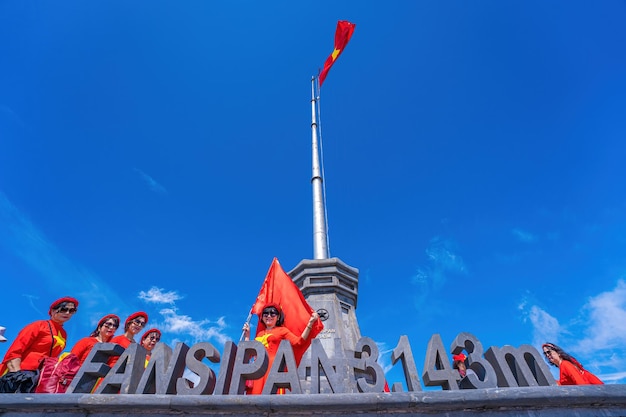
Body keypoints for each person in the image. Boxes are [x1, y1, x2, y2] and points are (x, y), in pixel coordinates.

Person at [0, 297, 78, 392]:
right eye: (64, 309)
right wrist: (16, 375)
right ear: (53, 311)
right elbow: (15, 350)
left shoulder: (64, 334)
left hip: (38, 379)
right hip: (20, 374)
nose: (67, 313)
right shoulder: (38, 325)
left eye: (72, 310)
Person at [242, 303, 319, 395]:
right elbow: (249, 354)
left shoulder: (282, 331)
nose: (269, 316)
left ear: (278, 317)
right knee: (255, 396)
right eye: (265, 313)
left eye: (273, 313)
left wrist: (310, 323)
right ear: (262, 317)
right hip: (257, 370)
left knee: (272, 397)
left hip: (274, 368)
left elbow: (298, 342)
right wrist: (247, 337)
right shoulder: (259, 334)